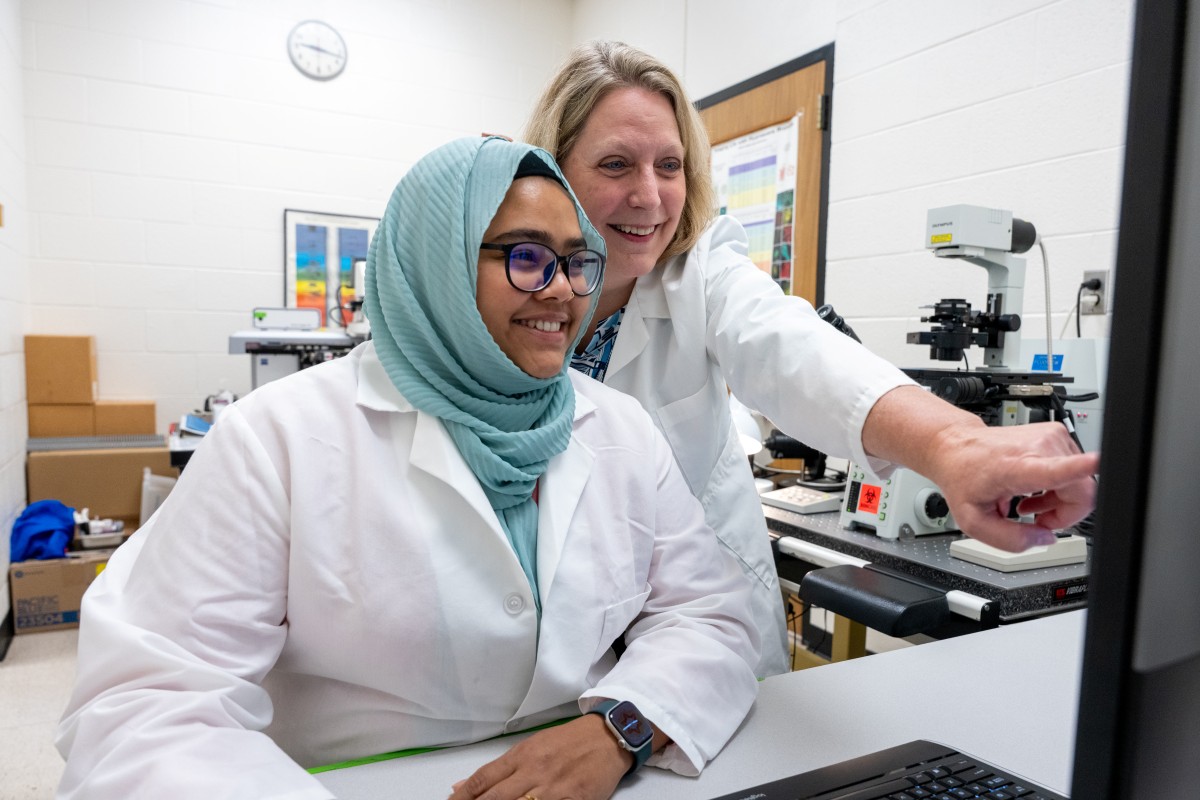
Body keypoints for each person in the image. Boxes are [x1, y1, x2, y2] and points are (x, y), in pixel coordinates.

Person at [54, 137, 760, 800]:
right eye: (525, 256)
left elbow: (711, 615)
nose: (561, 291)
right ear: (437, 262)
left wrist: (618, 729)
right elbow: (145, 708)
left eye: (577, 261)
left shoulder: (621, 430)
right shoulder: (276, 440)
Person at [524, 41, 1100, 677]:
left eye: (669, 165)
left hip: (705, 632)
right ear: (553, 171)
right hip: (564, 630)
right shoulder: (509, 295)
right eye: (614, 165)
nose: (650, 196)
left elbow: (792, 349)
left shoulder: (703, 274)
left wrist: (957, 447)